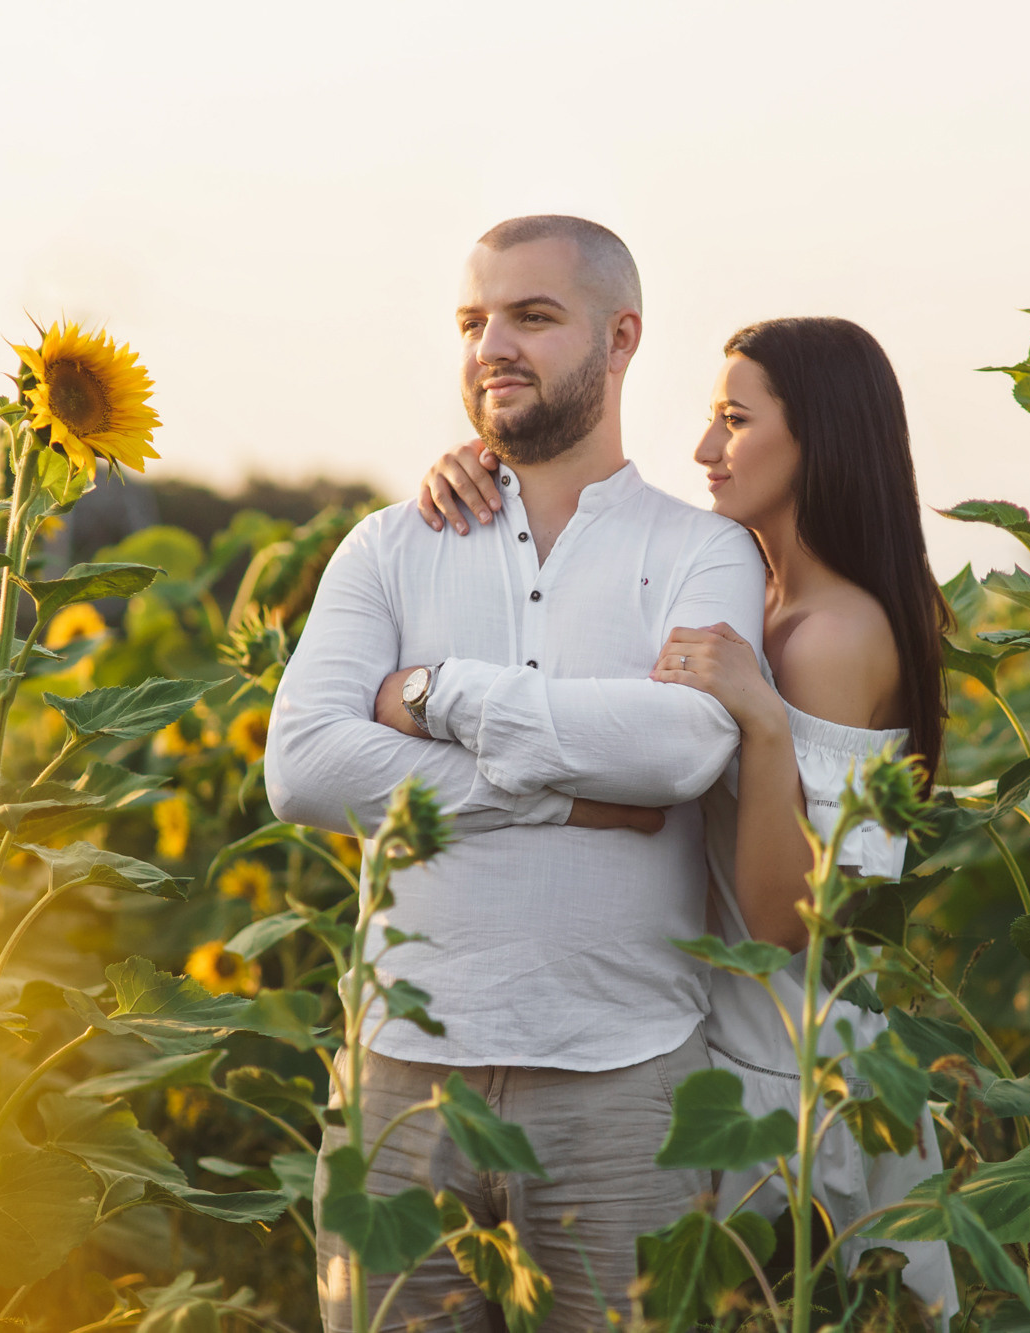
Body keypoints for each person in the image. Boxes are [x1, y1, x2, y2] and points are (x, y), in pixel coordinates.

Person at [264, 214, 768, 1331]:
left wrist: (440, 695)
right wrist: (556, 792)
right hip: (398, 1088)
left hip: (625, 1083)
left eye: (532, 317)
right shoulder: (386, 546)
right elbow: (302, 767)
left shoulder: (701, 550)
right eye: (472, 320)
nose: (494, 344)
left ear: (620, 336)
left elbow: (681, 747)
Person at [413, 316, 960, 1322]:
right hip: (704, 1054)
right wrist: (483, 473)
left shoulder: (833, 633)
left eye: (734, 421)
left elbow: (786, 921)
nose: (705, 449)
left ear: (820, 439)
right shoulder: (754, 596)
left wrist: (757, 722)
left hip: (777, 1083)